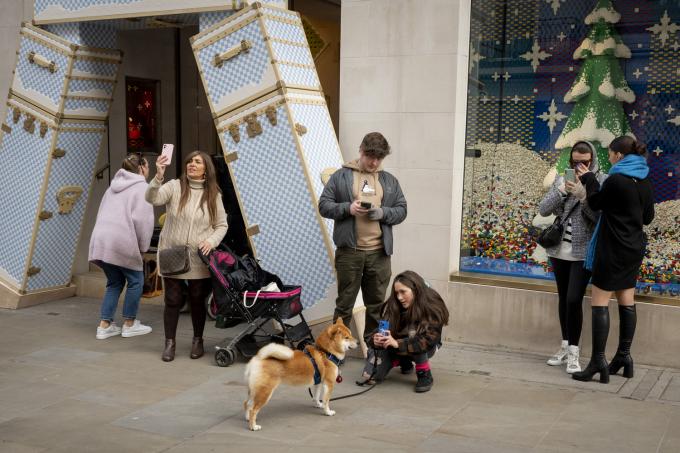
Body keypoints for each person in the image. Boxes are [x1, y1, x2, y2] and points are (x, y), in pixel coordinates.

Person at [572, 136, 654, 383]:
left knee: (600, 302)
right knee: (626, 299)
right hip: (633, 248)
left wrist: (589, 179)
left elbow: (596, 203)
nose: (608, 158)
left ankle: (598, 361)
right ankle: (624, 357)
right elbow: (647, 217)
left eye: (609, 154)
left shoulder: (617, 180)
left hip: (612, 248)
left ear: (618, 155)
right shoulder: (644, 180)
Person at [318, 132, 407, 340]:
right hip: (349, 253)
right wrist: (348, 208)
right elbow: (324, 205)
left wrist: (383, 213)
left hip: (379, 254)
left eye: (379, 158)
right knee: (344, 305)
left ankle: (374, 350)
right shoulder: (340, 176)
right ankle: (335, 349)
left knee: (377, 305)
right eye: (370, 156)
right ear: (361, 151)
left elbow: (402, 210)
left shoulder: (389, 180)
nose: (374, 162)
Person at [146, 151, 228, 362]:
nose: (192, 164)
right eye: (189, 161)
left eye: (197, 162)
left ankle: (198, 340)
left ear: (205, 169)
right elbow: (152, 198)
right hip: (172, 254)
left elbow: (221, 225)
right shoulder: (174, 186)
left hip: (198, 258)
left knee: (197, 300)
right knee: (172, 300)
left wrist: (211, 241)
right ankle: (169, 343)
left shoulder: (213, 194)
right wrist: (158, 175)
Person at [538, 141, 604, 374]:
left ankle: (575, 353)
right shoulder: (561, 179)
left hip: (582, 252)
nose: (579, 166)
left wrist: (584, 195)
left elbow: (599, 217)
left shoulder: (600, 181)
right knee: (563, 298)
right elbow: (543, 209)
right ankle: (565, 346)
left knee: (574, 299)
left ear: (592, 161)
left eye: (584, 162)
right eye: (575, 162)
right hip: (558, 250)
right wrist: (562, 190)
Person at [89, 154, 155, 340]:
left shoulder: (112, 187)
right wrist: (143, 249)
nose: (149, 170)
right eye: (148, 166)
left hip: (102, 240)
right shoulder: (143, 187)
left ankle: (105, 325)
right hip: (122, 239)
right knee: (136, 281)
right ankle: (129, 324)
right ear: (142, 168)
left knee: (115, 282)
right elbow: (143, 222)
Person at [364, 271, 449, 393]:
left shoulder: (432, 304)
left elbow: (428, 340)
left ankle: (424, 373)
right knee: (370, 376)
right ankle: (403, 360)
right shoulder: (393, 304)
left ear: (415, 289)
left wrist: (398, 344)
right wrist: (375, 339)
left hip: (424, 344)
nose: (399, 297)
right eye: (396, 293)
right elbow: (380, 330)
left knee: (413, 335)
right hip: (397, 341)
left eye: (403, 292)